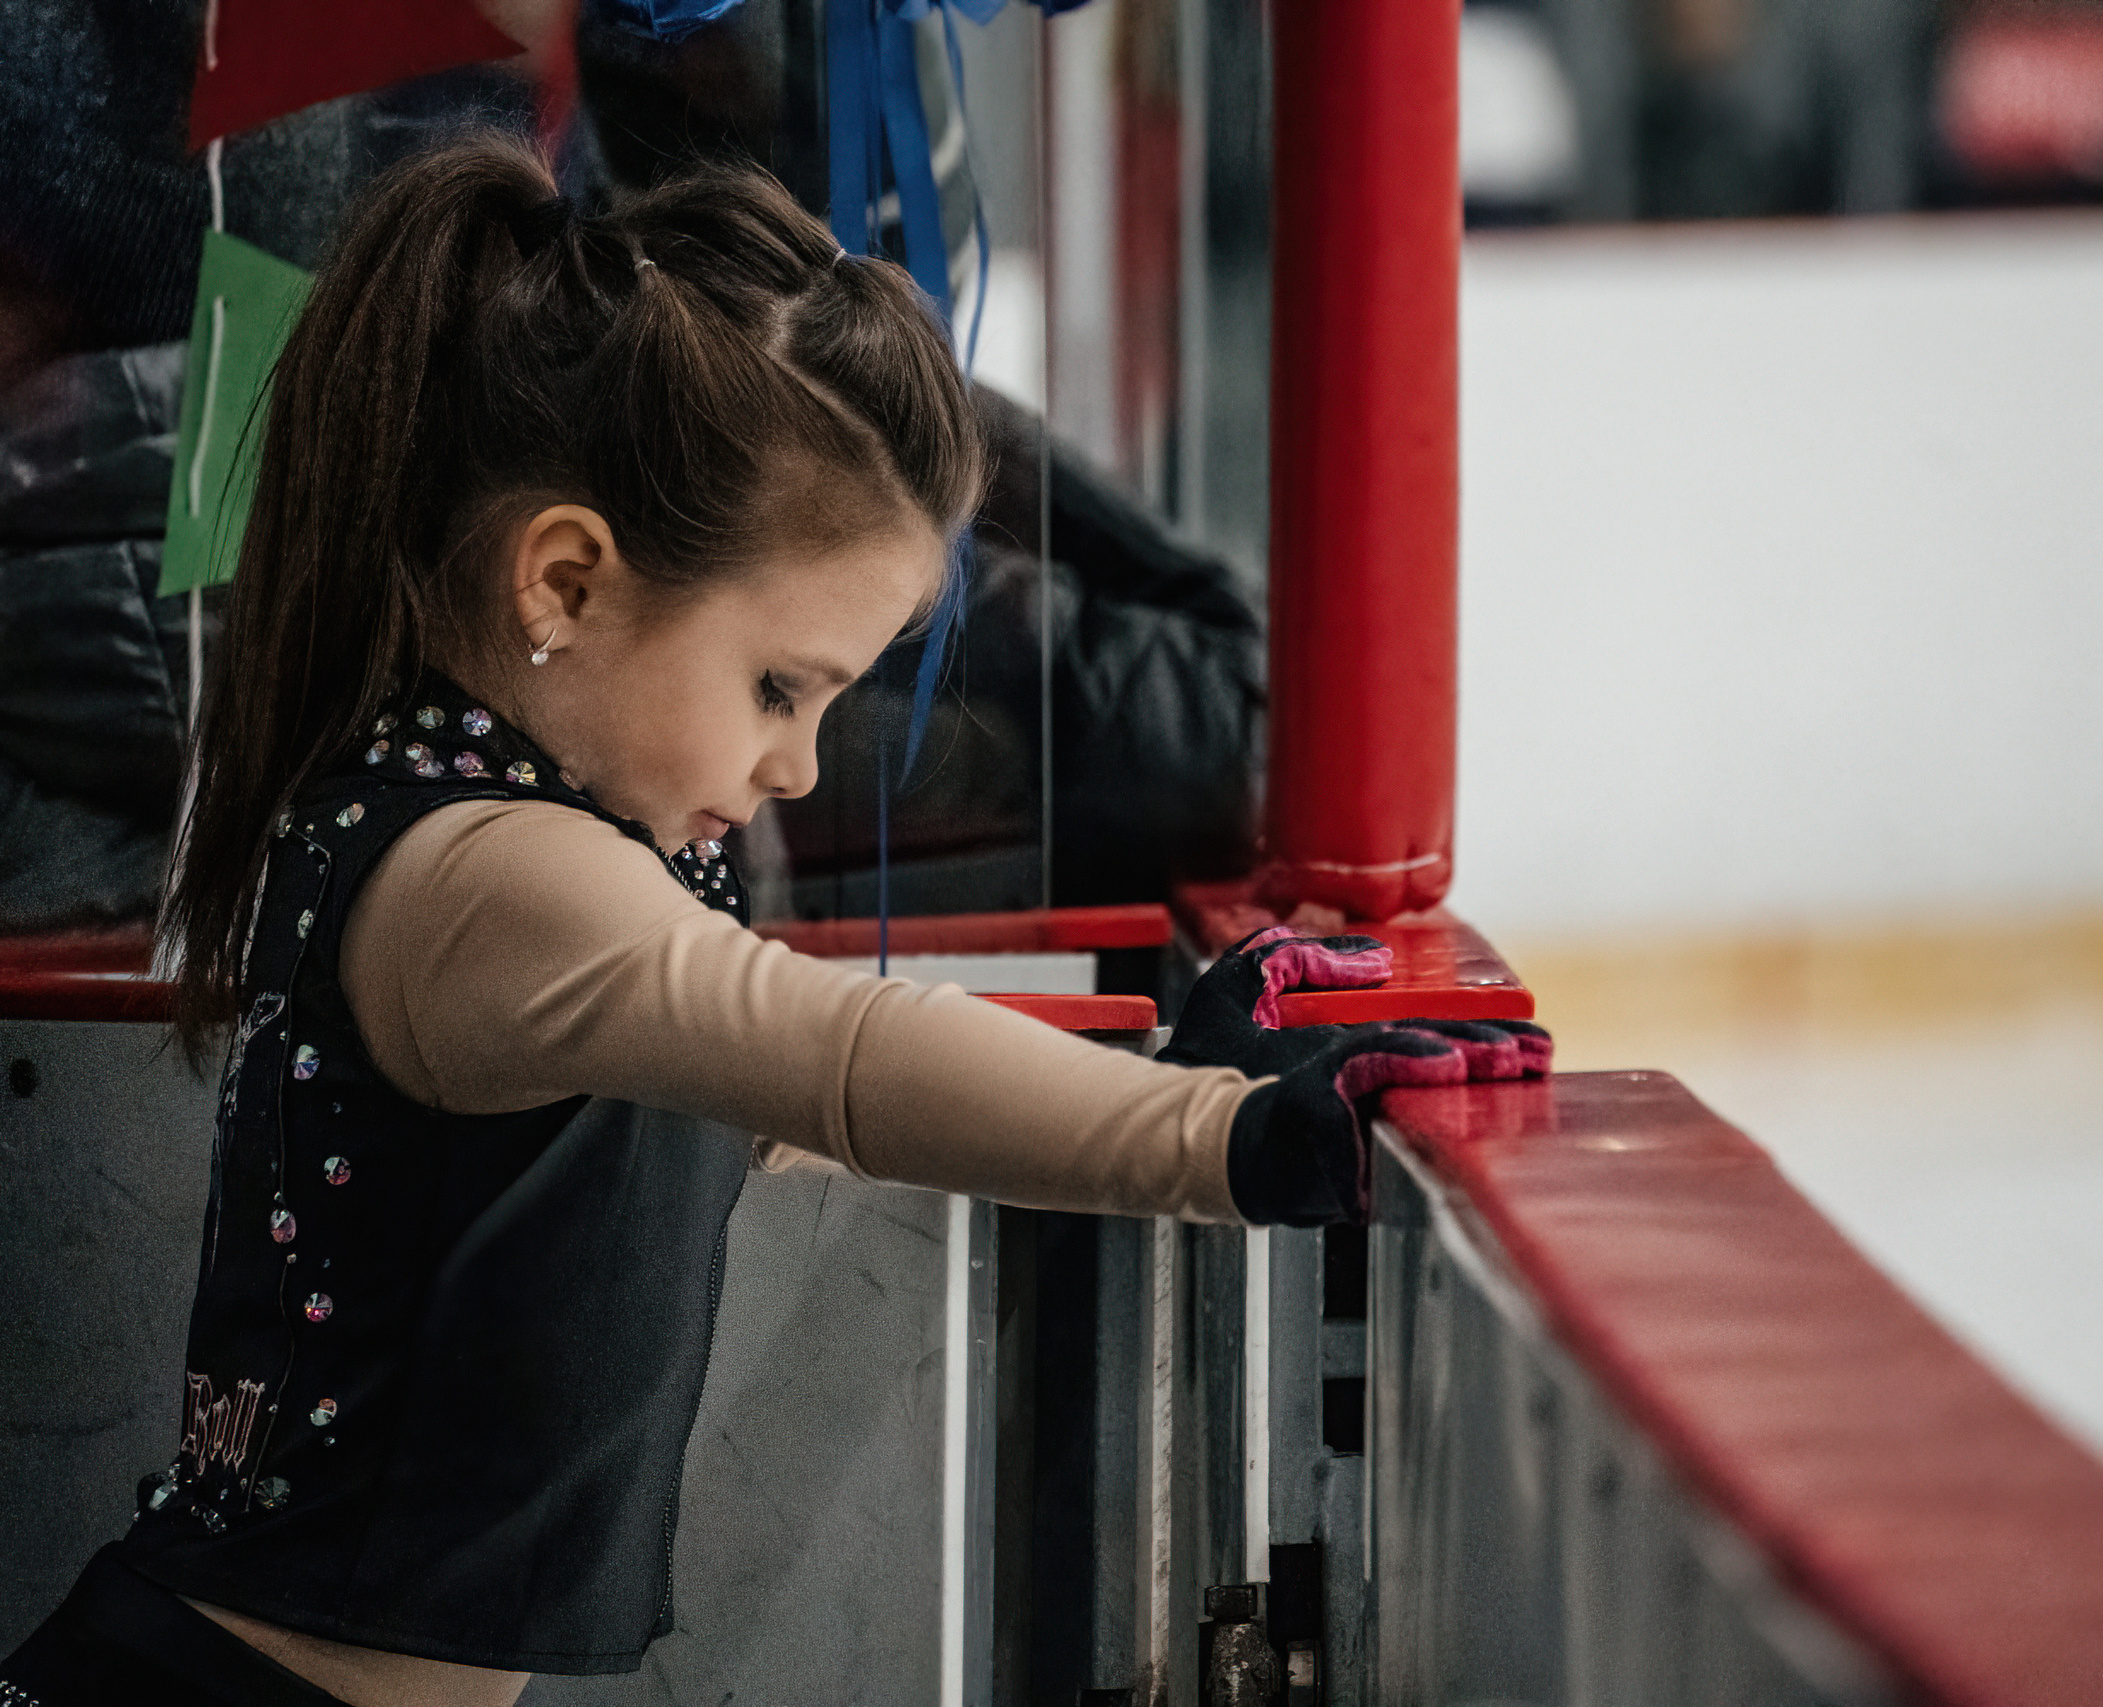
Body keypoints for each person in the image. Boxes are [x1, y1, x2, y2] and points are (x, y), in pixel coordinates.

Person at [0, 135, 1545, 1707]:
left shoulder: (553, 858)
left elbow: (789, 1085)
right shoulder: (491, 879)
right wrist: (1218, 1140)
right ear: (564, 583)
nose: (800, 762)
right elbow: (838, 1055)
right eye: (776, 687)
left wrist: (1158, 1070)